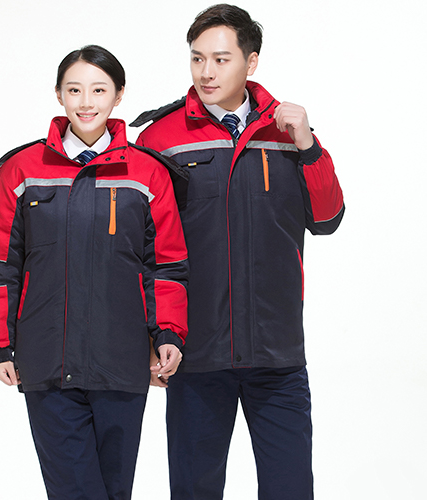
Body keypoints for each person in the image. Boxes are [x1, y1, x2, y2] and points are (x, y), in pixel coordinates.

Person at [131, 4, 344, 499]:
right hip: (195, 353)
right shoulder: (161, 139)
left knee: (291, 489)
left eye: (221, 59)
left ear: (251, 62)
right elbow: (143, 251)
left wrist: (309, 146)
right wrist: (150, 335)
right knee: (194, 490)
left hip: (277, 353)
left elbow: (328, 218)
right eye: (197, 58)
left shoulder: (288, 133)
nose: (206, 72)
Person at [0, 44, 189, 500]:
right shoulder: (22, 169)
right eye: (74, 90)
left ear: (119, 95)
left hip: (122, 361)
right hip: (46, 362)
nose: (86, 102)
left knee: (114, 491)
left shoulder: (148, 173)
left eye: (99, 90)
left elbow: (166, 265)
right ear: (59, 95)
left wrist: (168, 333)